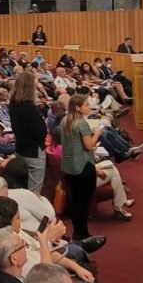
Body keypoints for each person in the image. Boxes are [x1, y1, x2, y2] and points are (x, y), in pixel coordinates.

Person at [52, 95, 104, 243]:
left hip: (69, 166)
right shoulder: (81, 124)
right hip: (83, 166)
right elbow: (89, 146)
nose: (89, 107)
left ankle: (78, 231)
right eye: (86, 105)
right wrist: (97, 133)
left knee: (75, 200)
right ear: (77, 108)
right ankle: (83, 233)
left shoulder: (65, 120)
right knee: (84, 201)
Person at [8, 71, 47, 193]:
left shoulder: (13, 104)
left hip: (20, 149)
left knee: (22, 189)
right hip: (33, 152)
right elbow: (41, 132)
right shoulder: (29, 108)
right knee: (34, 192)